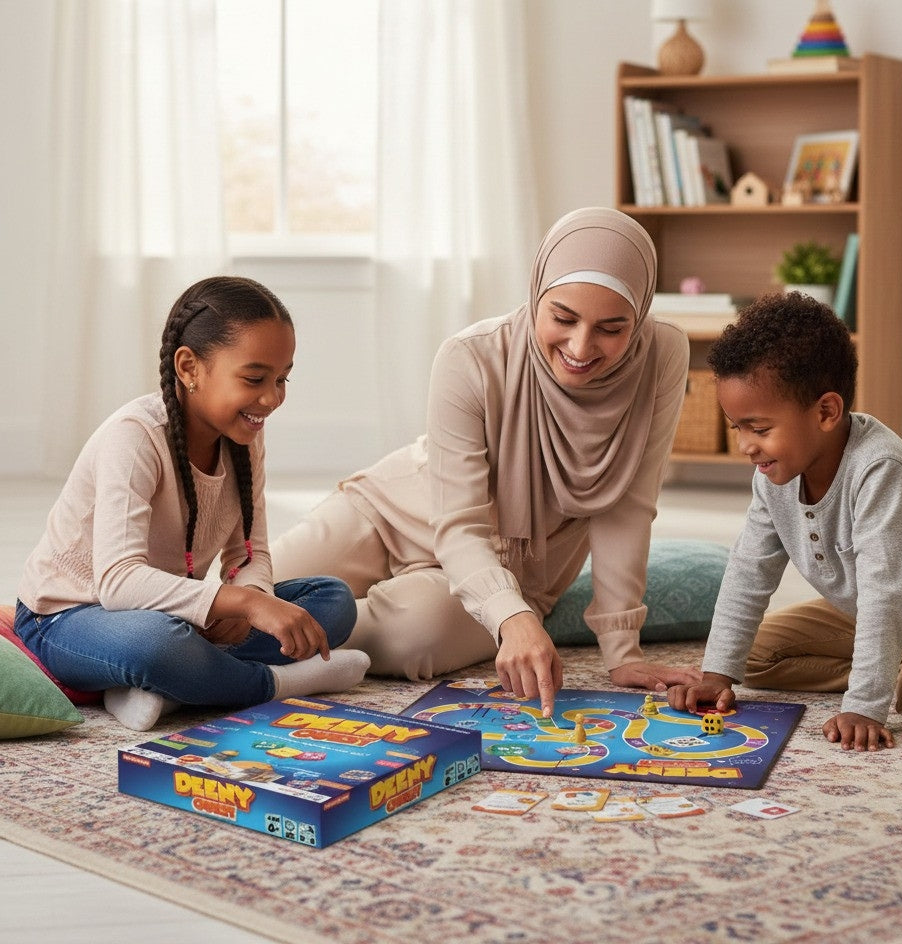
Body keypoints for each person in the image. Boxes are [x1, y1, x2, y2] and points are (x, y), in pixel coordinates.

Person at [272, 207, 702, 717]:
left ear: (641, 313)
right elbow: (459, 524)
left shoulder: (663, 354)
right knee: (246, 590)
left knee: (416, 637)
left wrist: (619, 649)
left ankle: (262, 655)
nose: (581, 347)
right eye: (563, 318)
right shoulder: (470, 356)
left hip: (516, 570)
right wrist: (514, 624)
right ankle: (193, 653)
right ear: (536, 292)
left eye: (611, 328)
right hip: (395, 513)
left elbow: (627, 505)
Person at [668, 291, 902, 751]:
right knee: (753, 658)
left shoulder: (880, 469)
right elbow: (748, 571)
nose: (745, 446)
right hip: (873, 611)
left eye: (759, 429)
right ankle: (896, 658)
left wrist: (864, 704)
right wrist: (717, 674)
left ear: (826, 412)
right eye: (737, 428)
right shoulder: (773, 475)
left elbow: (886, 588)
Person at [16, 276, 370, 731]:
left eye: (283, 378)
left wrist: (255, 599)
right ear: (189, 367)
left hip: (168, 609)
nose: (273, 398)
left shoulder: (244, 437)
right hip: (69, 615)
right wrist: (237, 602)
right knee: (158, 647)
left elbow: (250, 553)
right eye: (255, 378)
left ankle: (164, 688)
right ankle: (279, 684)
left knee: (332, 601)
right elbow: (118, 582)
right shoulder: (135, 437)